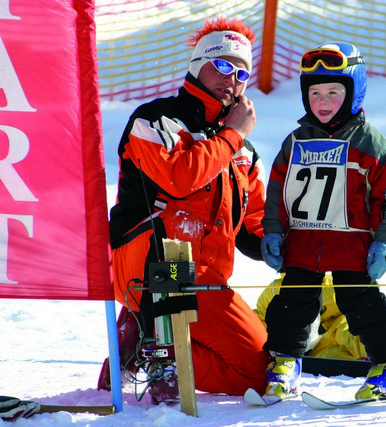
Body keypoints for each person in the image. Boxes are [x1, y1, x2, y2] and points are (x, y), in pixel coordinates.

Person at [97, 17, 270, 404]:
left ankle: (147, 344)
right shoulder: (155, 119)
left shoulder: (243, 151)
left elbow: (254, 223)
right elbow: (180, 177)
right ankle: (156, 338)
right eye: (223, 65)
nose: (233, 79)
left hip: (207, 279)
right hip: (155, 265)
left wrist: (284, 244)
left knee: (260, 373)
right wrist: (232, 134)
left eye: (242, 71)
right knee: (247, 374)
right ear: (197, 66)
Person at [259, 42, 386, 400]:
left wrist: (384, 238)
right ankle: (285, 362)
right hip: (303, 241)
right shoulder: (296, 141)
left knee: (360, 304)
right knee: (292, 303)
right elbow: (276, 191)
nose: (323, 101)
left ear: (354, 91)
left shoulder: (370, 142)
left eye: (334, 92)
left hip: (352, 241)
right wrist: (272, 231)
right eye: (315, 93)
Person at [255, 273, 367, 360]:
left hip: (323, 343)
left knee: (348, 328)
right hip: (302, 351)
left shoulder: (329, 287)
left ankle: (371, 355)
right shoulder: (274, 291)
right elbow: (259, 321)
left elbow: (353, 311)